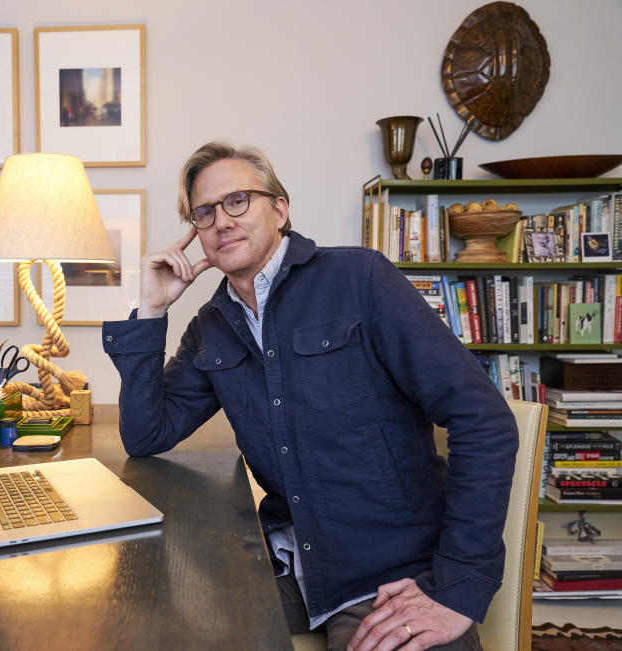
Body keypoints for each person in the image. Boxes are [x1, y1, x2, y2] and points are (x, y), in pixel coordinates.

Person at [102, 141, 518, 650]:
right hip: (278, 565)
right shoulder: (213, 326)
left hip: (383, 577)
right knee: (134, 625)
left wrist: (456, 587)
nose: (221, 221)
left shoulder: (360, 279)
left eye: (238, 201)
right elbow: (146, 433)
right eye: (204, 212)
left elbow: (483, 419)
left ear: (280, 209)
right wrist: (150, 311)